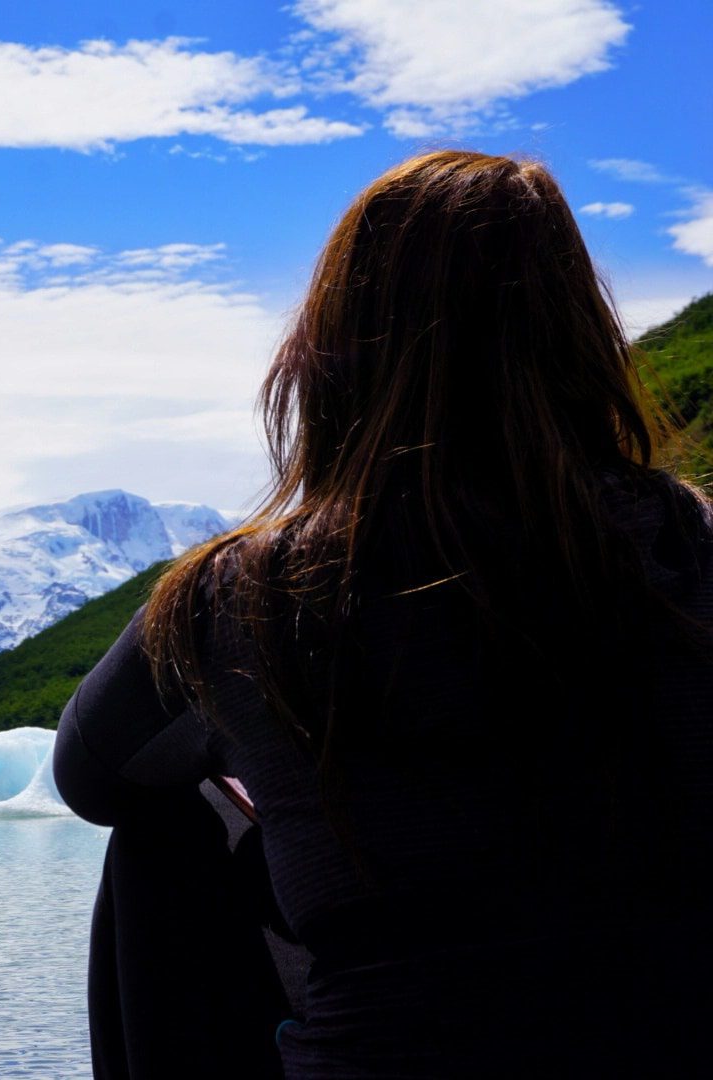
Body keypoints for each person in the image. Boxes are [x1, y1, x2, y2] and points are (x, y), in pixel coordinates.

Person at [53, 150, 713, 1078]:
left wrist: (281, 788)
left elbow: (92, 778)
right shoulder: (694, 548)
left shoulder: (247, 596)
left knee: (160, 837)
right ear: (582, 340)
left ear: (328, 352)